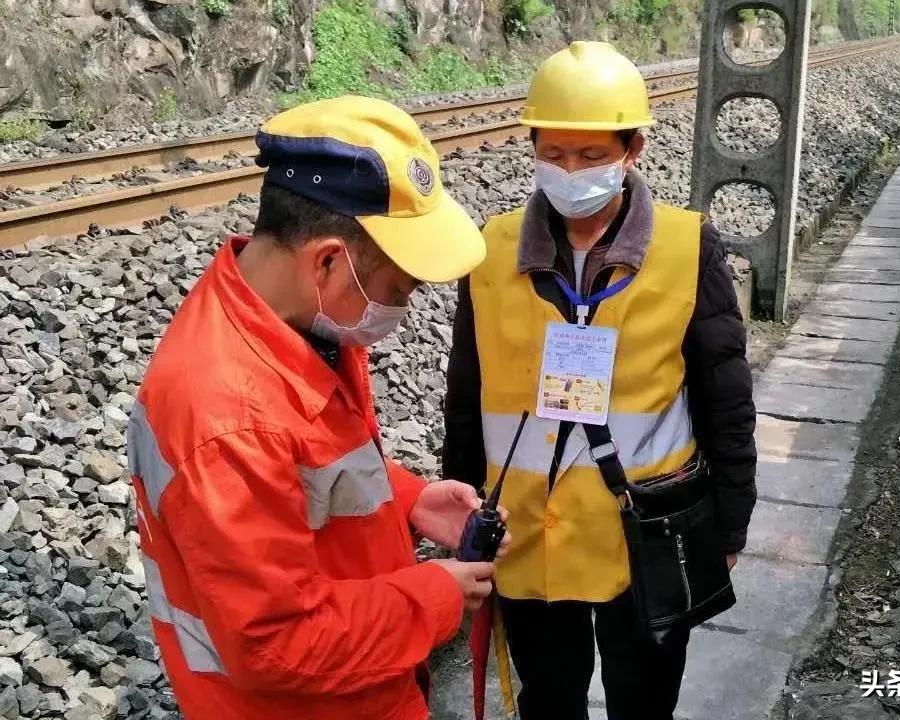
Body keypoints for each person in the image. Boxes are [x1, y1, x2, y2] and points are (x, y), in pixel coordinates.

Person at [126, 96, 508, 720]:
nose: (403, 308)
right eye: (400, 288)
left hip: (365, 679)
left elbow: (311, 479)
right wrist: (435, 597)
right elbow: (276, 644)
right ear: (329, 260)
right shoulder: (229, 416)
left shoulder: (298, 321)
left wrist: (409, 500)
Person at [443, 41, 757, 720]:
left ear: (633, 150)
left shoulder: (685, 245)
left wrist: (729, 527)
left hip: (645, 530)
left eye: (591, 156)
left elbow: (723, 394)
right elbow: (465, 399)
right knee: (548, 701)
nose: (571, 171)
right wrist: (464, 513)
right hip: (528, 535)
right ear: (532, 149)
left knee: (643, 703)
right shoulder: (490, 252)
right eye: (554, 154)